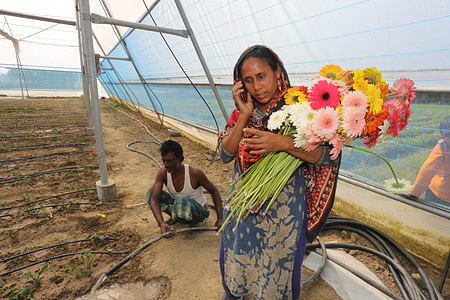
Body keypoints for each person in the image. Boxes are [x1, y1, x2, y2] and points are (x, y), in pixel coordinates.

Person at [218, 45, 340, 299]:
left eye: (261, 77)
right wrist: (244, 115)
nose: (256, 87)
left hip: (282, 211)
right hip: (244, 205)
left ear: (277, 72)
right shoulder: (242, 112)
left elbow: (327, 156)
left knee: (275, 269)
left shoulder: (299, 109)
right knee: (240, 257)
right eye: (248, 81)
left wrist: (283, 143)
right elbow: (225, 154)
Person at [147, 140, 223, 233]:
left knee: (181, 200)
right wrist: (161, 223)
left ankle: (192, 224)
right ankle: (177, 217)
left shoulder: (194, 173)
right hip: (179, 206)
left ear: (181, 159)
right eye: (164, 161)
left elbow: (214, 191)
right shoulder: (162, 173)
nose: (166, 164)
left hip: (198, 211)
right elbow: (154, 199)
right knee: (151, 193)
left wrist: (220, 220)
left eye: (170, 161)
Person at [408, 116, 450, 207]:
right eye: (448, 135)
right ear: (442, 136)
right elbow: (427, 170)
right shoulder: (442, 147)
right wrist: (414, 193)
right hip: (439, 195)